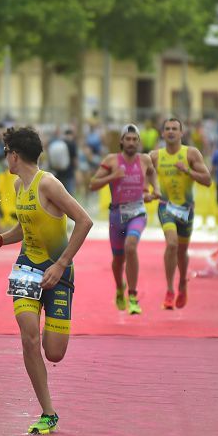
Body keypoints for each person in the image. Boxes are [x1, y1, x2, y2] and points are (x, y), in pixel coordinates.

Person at [0, 127, 93, 435]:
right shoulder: (19, 185)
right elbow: (26, 226)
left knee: (54, 351)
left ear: (15, 155)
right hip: (26, 267)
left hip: (58, 271)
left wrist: (61, 265)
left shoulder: (49, 184)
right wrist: (3, 239)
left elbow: (85, 221)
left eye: (6, 152)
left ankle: (53, 318)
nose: (5, 158)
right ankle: (48, 411)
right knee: (29, 337)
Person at [89, 124, 158, 315]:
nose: (131, 142)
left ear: (139, 142)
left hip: (137, 212)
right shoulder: (111, 160)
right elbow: (92, 184)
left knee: (131, 246)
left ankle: (133, 296)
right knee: (118, 260)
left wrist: (155, 190)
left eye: (135, 139)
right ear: (121, 141)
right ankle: (120, 288)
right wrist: (113, 176)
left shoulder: (144, 160)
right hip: (117, 215)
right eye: (128, 139)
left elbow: (152, 172)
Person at [149, 117, 212, 310]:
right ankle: (169, 290)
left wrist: (188, 171)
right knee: (172, 244)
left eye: (174, 129)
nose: (170, 132)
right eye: (167, 128)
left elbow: (207, 180)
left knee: (182, 252)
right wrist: (147, 190)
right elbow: (141, 174)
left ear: (181, 133)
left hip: (186, 209)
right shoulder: (155, 156)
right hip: (165, 206)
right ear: (162, 133)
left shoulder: (191, 154)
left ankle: (182, 281)